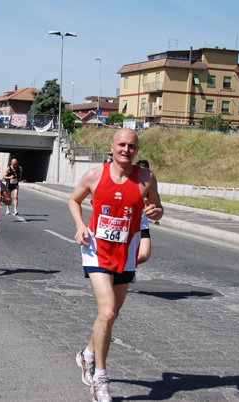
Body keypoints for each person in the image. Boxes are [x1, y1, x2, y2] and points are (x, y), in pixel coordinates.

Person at [69, 129, 163, 402]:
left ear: (136, 149)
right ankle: (101, 379)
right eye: (121, 144)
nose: (126, 149)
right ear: (111, 147)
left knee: (110, 315)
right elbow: (74, 200)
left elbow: (157, 209)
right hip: (97, 252)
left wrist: (156, 212)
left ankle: (87, 355)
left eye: (131, 145)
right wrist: (80, 225)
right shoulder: (95, 176)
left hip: (126, 254)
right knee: (107, 311)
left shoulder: (146, 179)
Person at [135, 159, 152, 265]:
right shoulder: (128, 183)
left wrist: (155, 211)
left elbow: (158, 208)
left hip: (142, 223)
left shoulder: (150, 186)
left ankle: (126, 266)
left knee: (144, 254)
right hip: (125, 224)